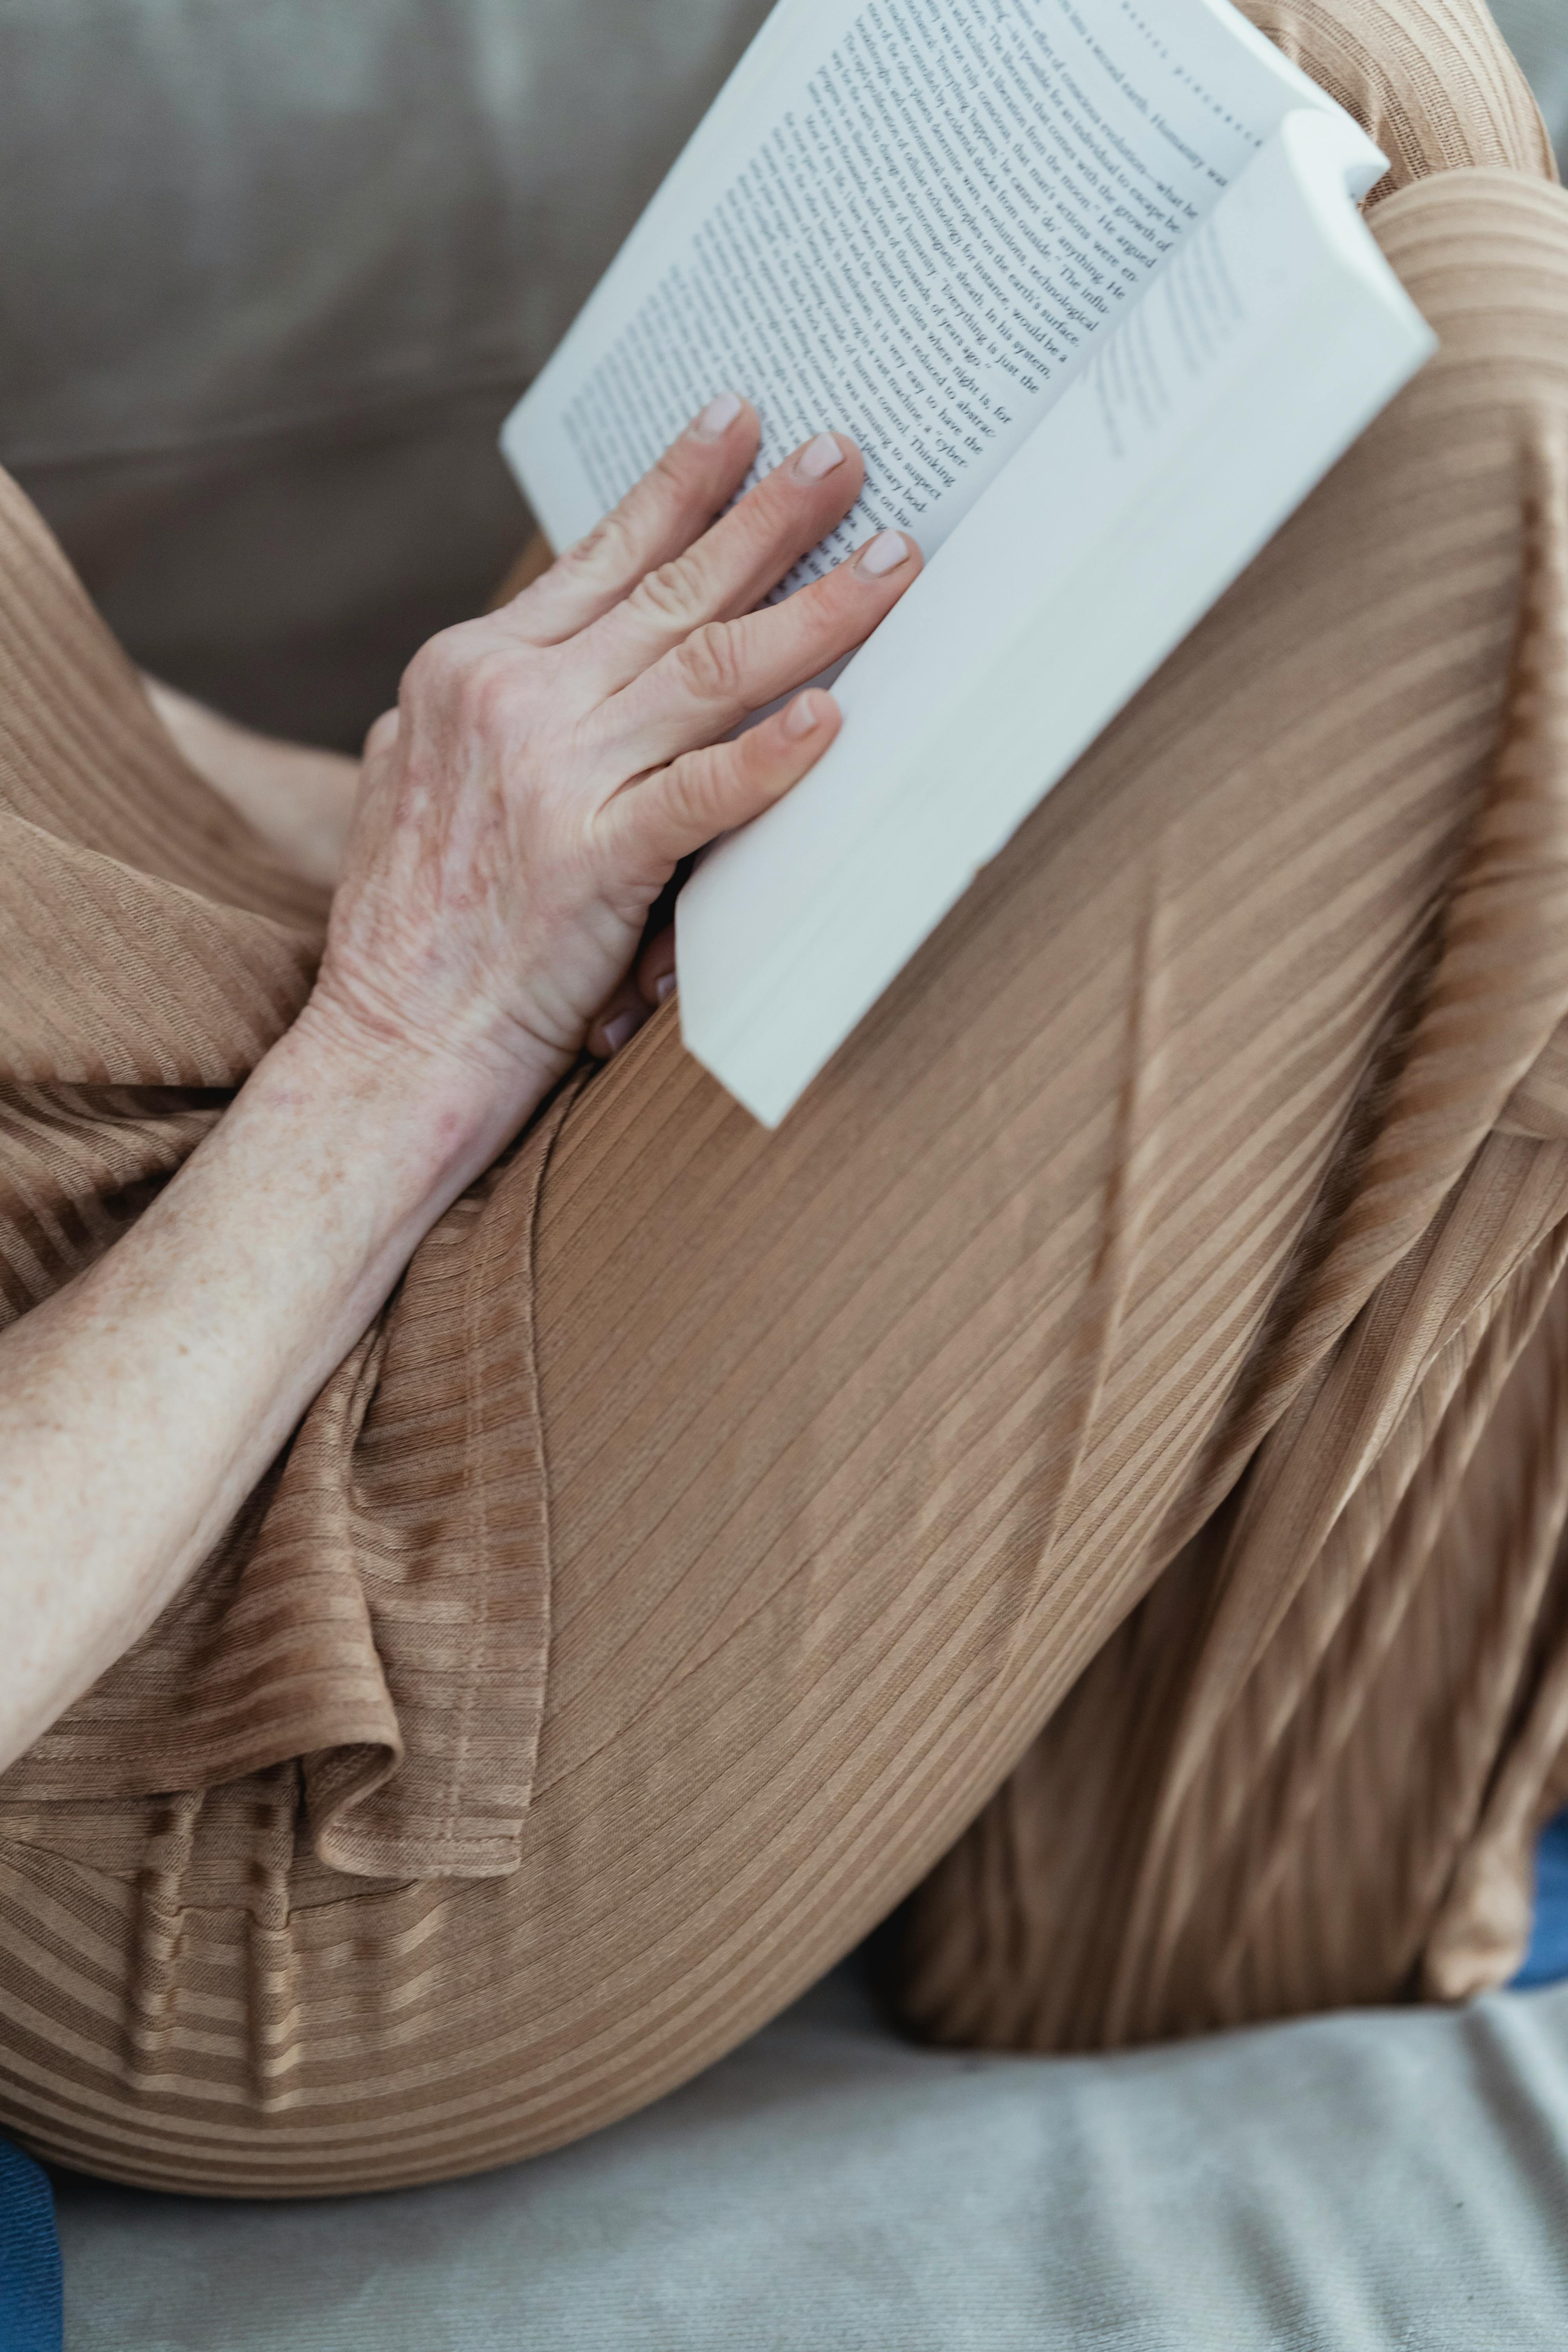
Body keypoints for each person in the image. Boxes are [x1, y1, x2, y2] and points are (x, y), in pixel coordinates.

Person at [0, 0, 1565, 2199]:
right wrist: (408, 1040)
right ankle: (1184, 1871)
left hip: (307, 1085)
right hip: (229, 1704)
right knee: (1494, 396)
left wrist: (444, 838)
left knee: (1341, 68)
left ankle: (1156, 1719)